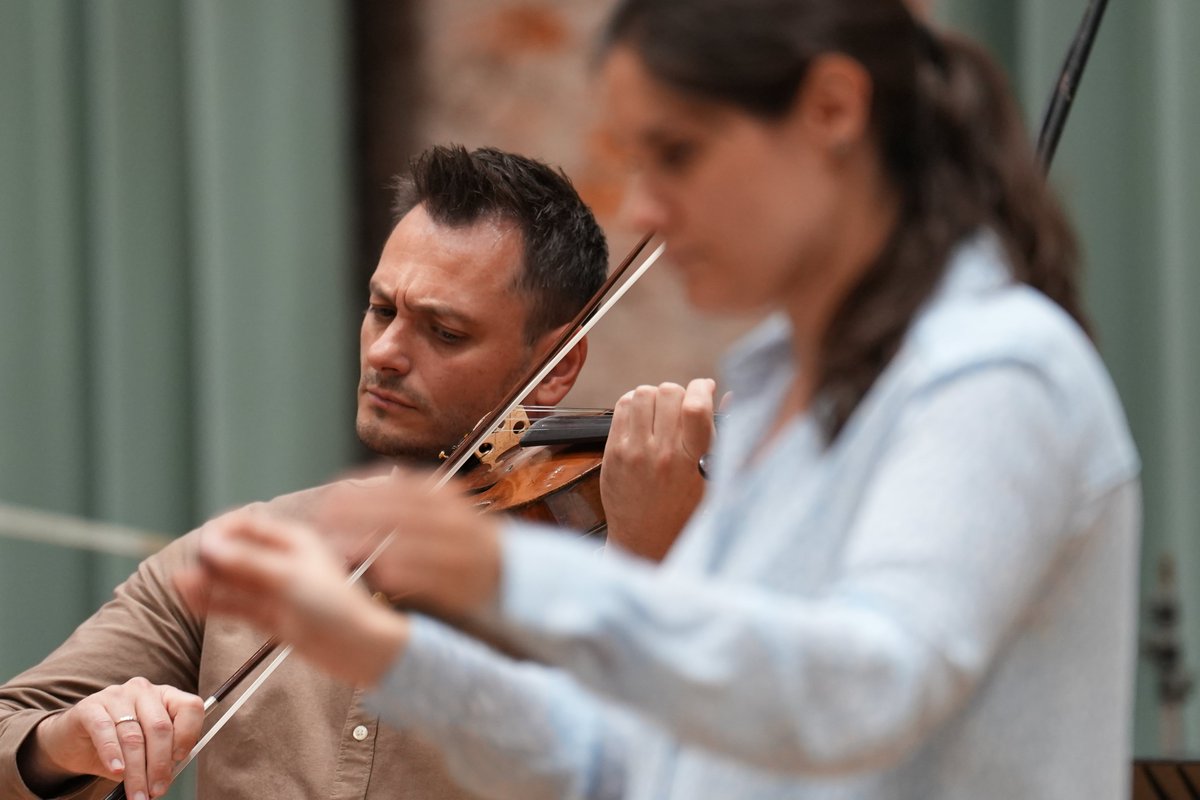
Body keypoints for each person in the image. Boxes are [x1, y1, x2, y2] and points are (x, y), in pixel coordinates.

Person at [178, 1, 1143, 798]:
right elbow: (635, 760)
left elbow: (863, 689)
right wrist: (385, 653)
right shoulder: (776, 400)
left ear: (833, 112)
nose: (642, 208)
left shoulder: (991, 375)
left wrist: (511, 576)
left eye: (676, 154)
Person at [0, 144, 711, 800]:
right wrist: (67, 741)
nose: (386, 353)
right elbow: (13, 726)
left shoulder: (628, 573)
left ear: (556, 370)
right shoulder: (247, 554)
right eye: (380, 310)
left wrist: (651, 563)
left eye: (445, 332)